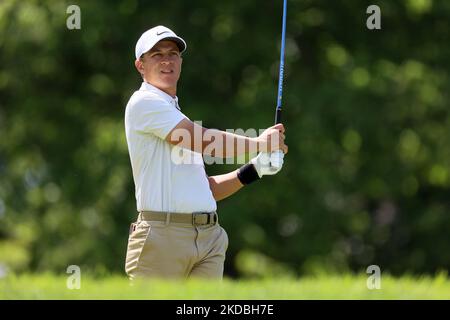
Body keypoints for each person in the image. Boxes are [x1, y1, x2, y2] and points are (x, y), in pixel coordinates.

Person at [124, 25, 288, 280]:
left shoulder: (175, 113)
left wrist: (256, 168)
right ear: (140, 66)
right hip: (163, 238)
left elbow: (205, 190)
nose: (167, 60)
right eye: (157, 55)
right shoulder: (143, 103)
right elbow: (202, 140)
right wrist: (259, 143)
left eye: (173, 54)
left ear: (180, 61)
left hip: (209, 238)